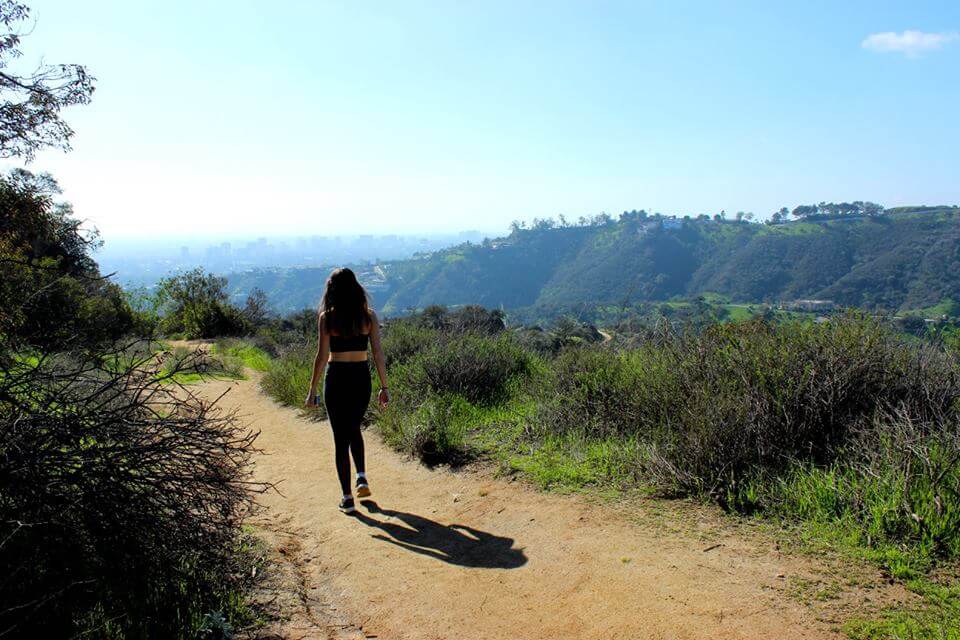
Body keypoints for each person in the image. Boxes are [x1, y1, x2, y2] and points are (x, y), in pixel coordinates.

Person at [305, 268, 389, 514]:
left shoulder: (327, 318)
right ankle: (361, 476)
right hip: (361, 377)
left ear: (331, 290)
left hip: (337, 378)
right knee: (354, 428)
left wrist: (312, 389)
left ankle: (347, 498)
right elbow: (378, 354)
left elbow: (321, 356)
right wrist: (385, 387)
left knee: (340, 439)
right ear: (356, 287)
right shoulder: (368, 317)